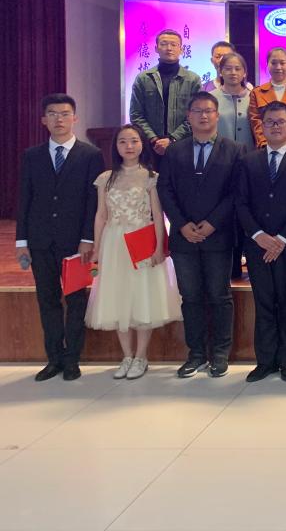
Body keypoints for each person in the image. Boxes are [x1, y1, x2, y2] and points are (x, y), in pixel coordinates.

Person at [16, 94, 104, 381]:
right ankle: (53, 358)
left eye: (65, 113)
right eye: (52, 114)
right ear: (44, 120)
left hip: (75, 243)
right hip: (40, 241)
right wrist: (21, 242)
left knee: (76, 300)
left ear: (74, 118)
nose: (59, 119)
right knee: (48, 300)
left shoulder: (90, 155)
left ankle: (72, 359)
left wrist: (88, 239)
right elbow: (25, 199)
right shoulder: (32, 155)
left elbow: (93, 202)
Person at [157, 92, 244, 378]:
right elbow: (165, 190)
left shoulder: (234, 150)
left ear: (217, 115)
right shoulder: (174, 151)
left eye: (208, 111)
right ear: (189, 116)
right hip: (184, 237)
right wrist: (181, 224)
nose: (203, 116)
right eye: (197, 111)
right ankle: (195, 354)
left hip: (218, 235)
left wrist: (212, 223)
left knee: (219, 296)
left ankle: (220, 353)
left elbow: (236, 193)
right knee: (190, 297)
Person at [86, 124, 182, 380]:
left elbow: (158, 215)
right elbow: (100, 216)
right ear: (115, 146)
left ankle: (141, 357)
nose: (129, 146)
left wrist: (159, 248)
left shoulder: (151, 177)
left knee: (142, 297)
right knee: (118, 298)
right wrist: (97, 249)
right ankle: (126, 356)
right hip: (114, 243)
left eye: (134, 141)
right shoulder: (106, 178)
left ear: (142, 145)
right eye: (123, 141)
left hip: (142, 240)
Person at [235, 101, 286, 383]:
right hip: (257, 245)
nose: (276, 127)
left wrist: (281, 239)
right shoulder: (248, 160)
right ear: (262, 126)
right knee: (264, 301)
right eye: (270, 122)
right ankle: (265, 361)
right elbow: (241, 202)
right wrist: (259, 236)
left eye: (281, 122)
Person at [129, 29, 202, 161]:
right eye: (164, 44)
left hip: (183, 146)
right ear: (156, 48)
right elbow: (136, 114)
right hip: (150, 147)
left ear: (181, 49)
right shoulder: (143, 78)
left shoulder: (192, 80)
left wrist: (173, 139)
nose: (169, 48)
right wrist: (154, 139)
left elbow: (196, 114)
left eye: (174, 44)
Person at [249, 47, 286, 151]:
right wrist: (265, 144)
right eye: (273, 63)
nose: (278, 67)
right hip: (265, 149)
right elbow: (256, 122)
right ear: (267, 65)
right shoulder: (256, 93)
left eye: (282, 63)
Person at [211, 52, 254, 150]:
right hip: (219, 154)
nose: (233, 72)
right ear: (220, 72)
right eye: (228, 69)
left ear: (244, 73)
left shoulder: (253, 97)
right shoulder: (211, 98)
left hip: (250, 154)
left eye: (237, 69)